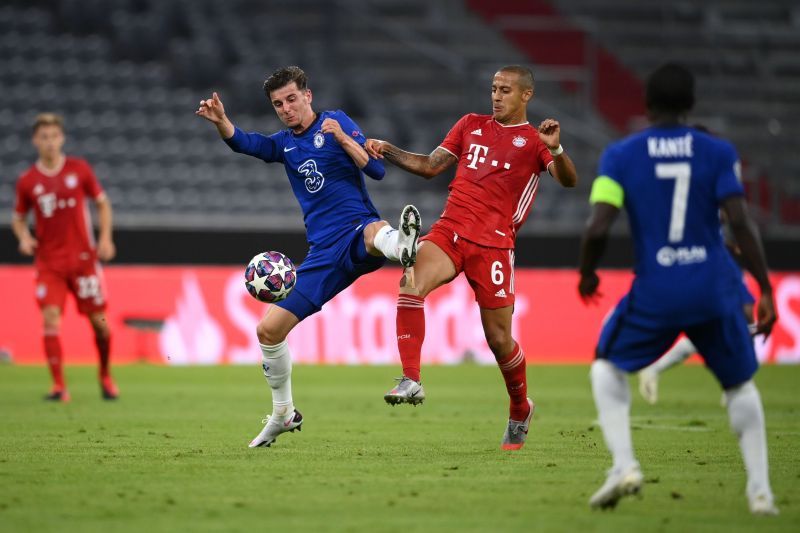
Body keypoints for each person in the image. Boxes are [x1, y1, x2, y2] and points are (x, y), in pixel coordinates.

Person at [577, 63, 778, 514]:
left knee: (606, 367)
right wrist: (764, 286)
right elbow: (741, 222)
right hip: (714, 284)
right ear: (691, 105)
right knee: (740, 385)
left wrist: (587, 273)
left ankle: (624, 466)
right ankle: (760, 492)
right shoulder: (718, 151)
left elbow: (597, 226)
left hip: (658, 288)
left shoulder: (620, 156)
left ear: (645, 106)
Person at [196, 66, 421, 448]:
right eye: (278, 104)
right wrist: (222, 122)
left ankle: (401, 246)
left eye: (291, 99)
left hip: (356, 230)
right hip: (322, 254)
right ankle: (284, 413)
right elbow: (246, 143)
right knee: (268, 331)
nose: (286, 108)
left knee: (372, 230)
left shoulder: (336, 122)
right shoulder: (285, 145)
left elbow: (379, 170)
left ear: (308, 96)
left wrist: (343, 140)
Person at [365, 65, 578, 450]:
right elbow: (430, 166)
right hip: (450, 231)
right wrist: (388, 150)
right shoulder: (470, 125)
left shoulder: (534, 140)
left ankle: (519, 408)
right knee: (409, 283)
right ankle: (410, 379)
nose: (496, 96)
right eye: (494, 88)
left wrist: (557, 148)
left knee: (499, 340)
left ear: (526, 95)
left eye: (506, 90)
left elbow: (568, 180)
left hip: (494, 245)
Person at [12, 113, 119, 402]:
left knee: (100, 324)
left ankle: (105, 375)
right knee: (50, 320)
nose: (49, 142)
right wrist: (23, 238)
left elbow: (102, 203)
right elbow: (18, 218)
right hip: (49, 264)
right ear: (36, 141)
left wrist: (106, 238)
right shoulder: (27, 181)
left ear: (62, 138)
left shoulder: (79, 170)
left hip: (84, 261)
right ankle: (59, 386)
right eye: (43, 137)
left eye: (53, 136)